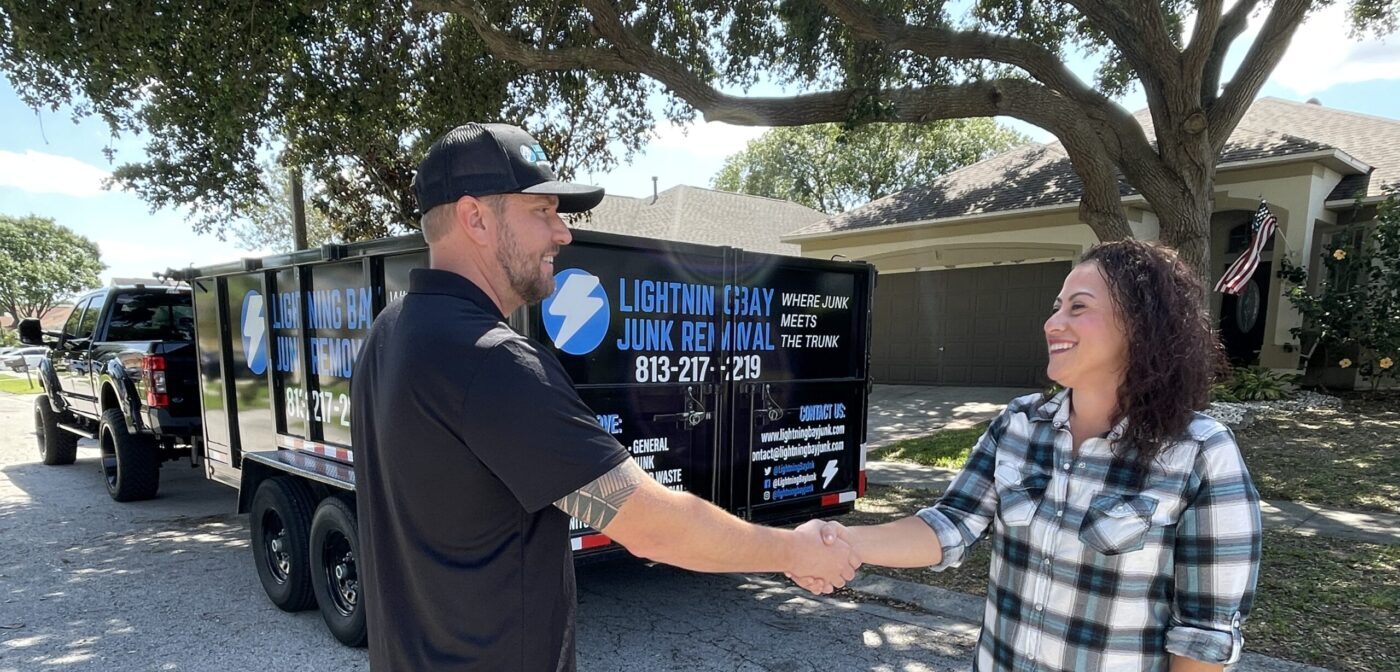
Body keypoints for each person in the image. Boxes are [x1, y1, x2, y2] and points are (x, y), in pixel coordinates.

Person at [350, 122, 860, 672]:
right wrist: (792, 550)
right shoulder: (492, 360)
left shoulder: (390, 332)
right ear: (474, 217)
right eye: (541, 211)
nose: (562, 233)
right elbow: (648, 526)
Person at [794, 241, 1263, 672]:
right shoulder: (1020, 424)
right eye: (1056, 306)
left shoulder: (1199, 452)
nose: (1052, 322)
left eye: (1079, 307)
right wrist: (840, 540)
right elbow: (950, 524)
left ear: (1142, 325)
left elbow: (1204, 634)